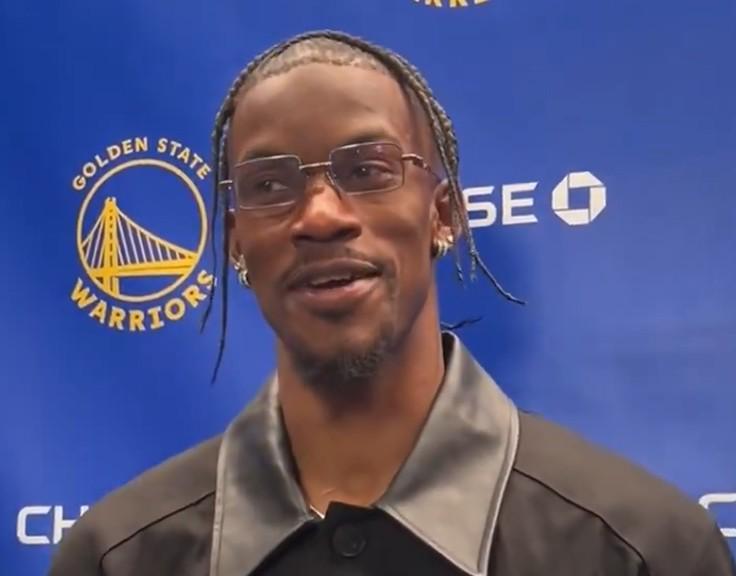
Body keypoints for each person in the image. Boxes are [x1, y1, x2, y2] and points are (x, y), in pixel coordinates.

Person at [49, 30, 735, 576]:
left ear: (444, 216)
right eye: (269, 185)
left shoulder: (640, 549)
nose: (320, 216)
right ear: (235, 242)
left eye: (367, 170)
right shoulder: (118, 557)